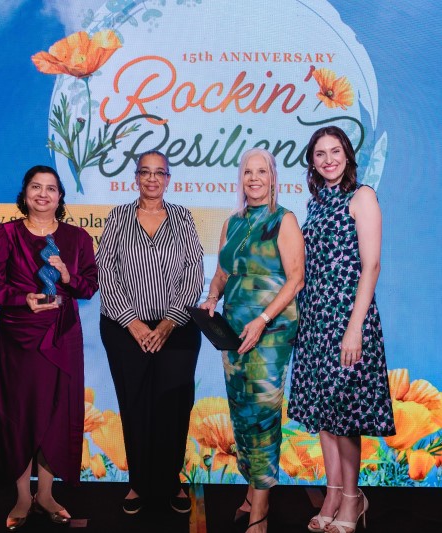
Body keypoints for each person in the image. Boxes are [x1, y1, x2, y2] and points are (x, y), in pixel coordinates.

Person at [0, 165, 99, 530]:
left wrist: (66, 276)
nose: (43, 194)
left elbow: (89, 286)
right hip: (19, 341)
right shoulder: (5, 235)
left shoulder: (78, 238)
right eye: (36, 187)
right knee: (20, 416)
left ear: (60, 197)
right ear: (25, 193)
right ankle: (21, 498)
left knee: (55, 416)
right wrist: (22, 298)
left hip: (61, 339)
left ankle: (45, 496)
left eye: (51, 188)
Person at [287, 126, 395, 533]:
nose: (328, 158)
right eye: (320, 153)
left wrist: (354, 330)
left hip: (349, 321)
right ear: (312, 162)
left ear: (348, 156)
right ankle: (332, 492)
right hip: (316, 322)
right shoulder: (316, 204)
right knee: (324, 414)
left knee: (346, 415)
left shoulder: (361, 197)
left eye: (335, 151)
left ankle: (353, 496)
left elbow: (371, 267)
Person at [201, 148, 304, 533]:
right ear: (241, 179)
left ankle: (259, 512)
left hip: (270, 334)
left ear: (274, 177)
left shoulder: (284, 220)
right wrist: (212, 297)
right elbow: (222, 273)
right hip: (233, 333)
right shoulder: (233, 223)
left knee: (262, 417)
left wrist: (262, 319)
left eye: (262, 172)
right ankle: (251, 490)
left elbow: (296, 279)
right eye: (248, 172)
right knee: (242, 415)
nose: (255, 178)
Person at [96, 150, 204, 515]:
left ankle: (171, 481)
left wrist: (169, 323)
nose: (152, 179)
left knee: (174, 408)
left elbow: (194, 272)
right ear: (136, 177)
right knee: (136, 405)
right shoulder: (118, 217)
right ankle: (139, 484)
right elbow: (106, 272)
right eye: (146, 172)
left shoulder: (183, 218)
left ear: (169, 178)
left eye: (160, 173)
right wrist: (136, 324)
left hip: (178, 331)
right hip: (125, 330)